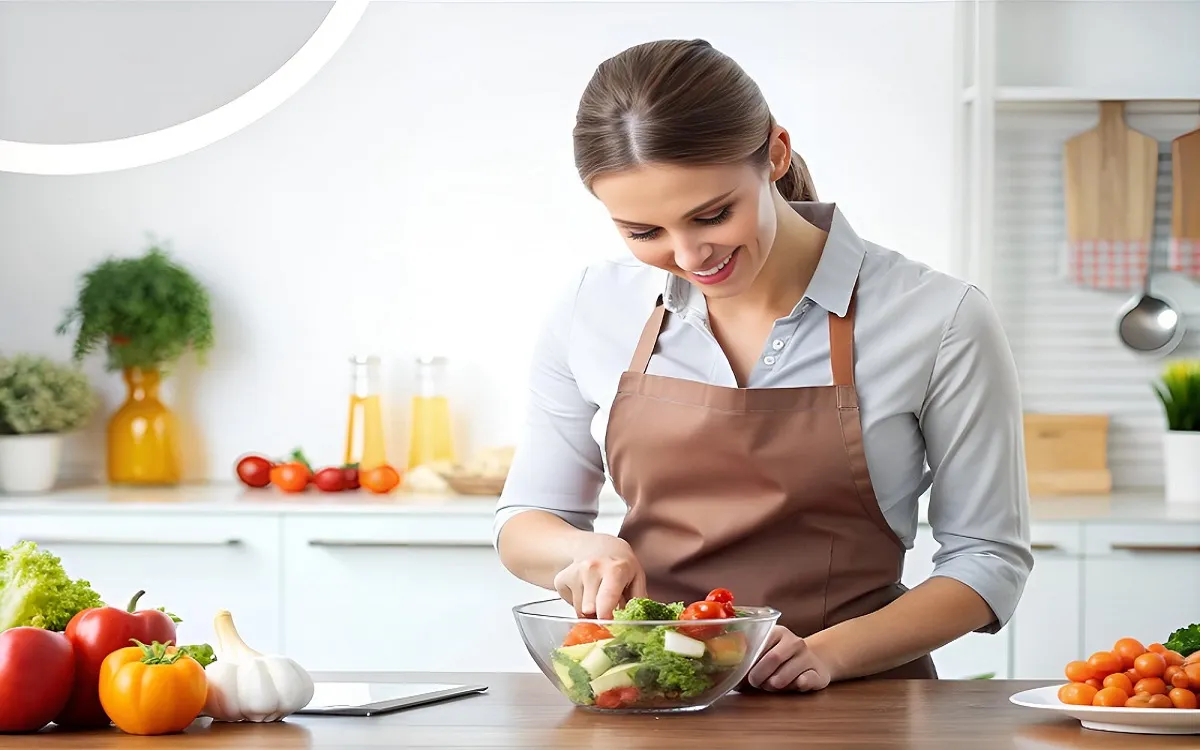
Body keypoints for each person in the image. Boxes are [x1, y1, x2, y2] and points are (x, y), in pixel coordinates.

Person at [493, 38, 1032, 693]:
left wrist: (829, 654)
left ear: (775, 155)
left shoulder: (939, 317)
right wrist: (581, 550)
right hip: (650, 692)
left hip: (860, 701)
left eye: (713, 214)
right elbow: (526, 519)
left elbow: (987, 559)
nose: (690, 255)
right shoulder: (593, 305)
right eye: (643, 232)